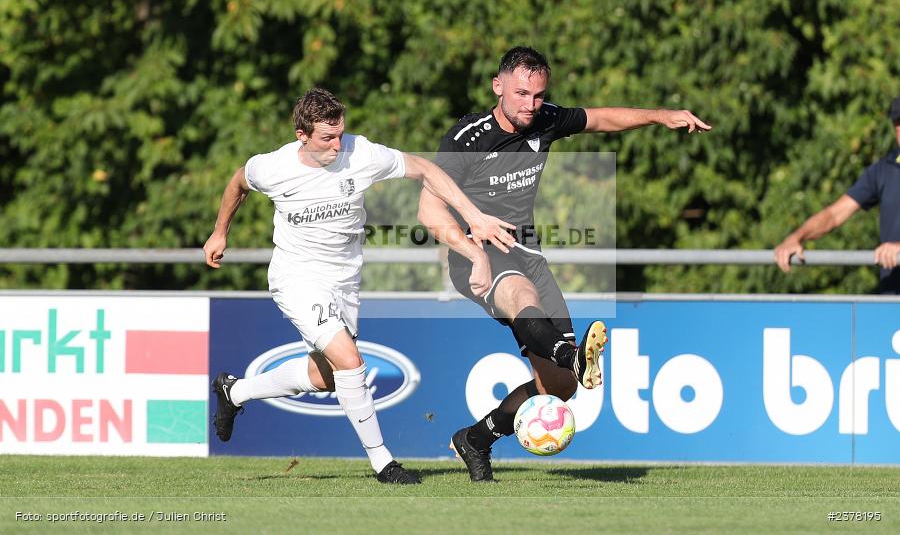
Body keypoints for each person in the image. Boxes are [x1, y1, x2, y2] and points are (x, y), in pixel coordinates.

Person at [419, 46, 712, 481]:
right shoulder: (468, 138)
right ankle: (569, 353)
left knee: (560, 387)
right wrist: (472, 250)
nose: (530, 104)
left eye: (538, 95)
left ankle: (476, 439)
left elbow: (601, 119)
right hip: (475, 257)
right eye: (521, 93)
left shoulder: (546, 120)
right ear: (497, 87)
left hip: (527, 253)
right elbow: (429, 212)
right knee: (521, 294)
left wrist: (660, 115)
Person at [203, 88, 515, 485]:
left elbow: (425, 169)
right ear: (301, 134)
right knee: (350, 361)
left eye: (340, 135)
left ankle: (235, 392)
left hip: (344, 280)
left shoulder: (361, 152)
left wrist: (474, 216)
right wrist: (219, 233)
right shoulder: (272, 167)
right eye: (326, 138)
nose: (337, 146)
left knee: (326, 376)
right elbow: (237, 183)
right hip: (297, 277)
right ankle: (384, 463)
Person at [774, 97, 900, 293]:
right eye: (897, 122)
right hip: (890, 302)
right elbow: (834, 214)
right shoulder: (883, 169)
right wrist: (797, 237)